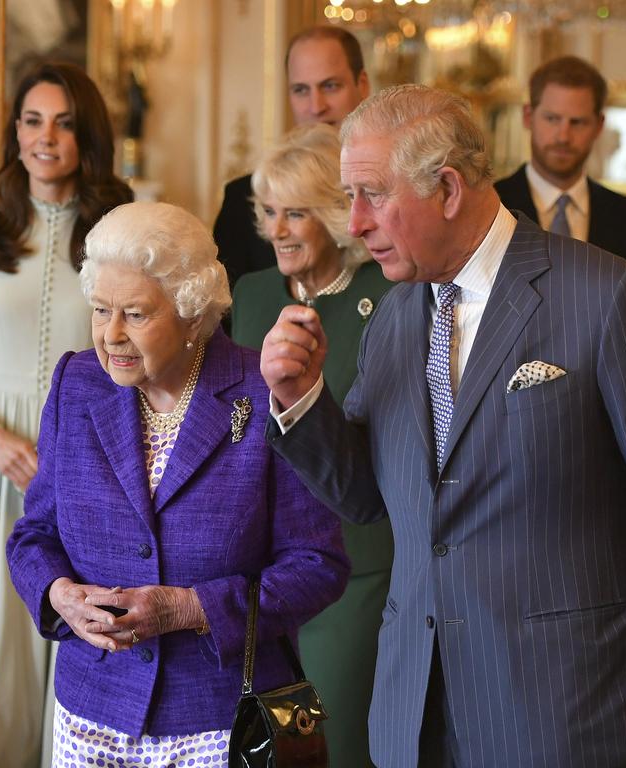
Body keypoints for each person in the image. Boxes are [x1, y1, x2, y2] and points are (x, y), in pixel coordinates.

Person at [260, 84, 626, 768]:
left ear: (447, 188)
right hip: (414, 704)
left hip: (563, 702)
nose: (354, 222)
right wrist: (302, 400)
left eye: (371, 194)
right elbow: (367, 496)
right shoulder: (392, 319)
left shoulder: (610, 299)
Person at [5, 201, 350, 767]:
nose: (110, 335)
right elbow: (35, 533)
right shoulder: (77, 384)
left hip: (218, 722)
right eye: (99, 311)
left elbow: (319, 564)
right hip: (91, 713)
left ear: (192, 314)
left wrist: (192, 608)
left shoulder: (260, 394)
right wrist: (58, 595)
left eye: (135, 315)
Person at [0, 62, 133, 768]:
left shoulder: (118, 235)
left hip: (90, 464)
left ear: (86, 135)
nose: (46, 137)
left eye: (65, 122)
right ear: (14, 132)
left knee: (74, 632)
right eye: (33, 120)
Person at [231, 122, 393, 768]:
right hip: (264, 574)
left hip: (353, 570)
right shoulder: (251, 295)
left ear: (334, 212)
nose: (278, 229)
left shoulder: (386, 297)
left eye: (297, 212)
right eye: (270, 211)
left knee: (340, 744)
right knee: (286, 748)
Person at [214, 25, 370, 291]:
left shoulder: (390, 192)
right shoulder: (243, 199)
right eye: (300, 90)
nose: (316, 106)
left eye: (330, 86)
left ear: (362, 85)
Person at [494, 55, 626, 281]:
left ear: (599, 126)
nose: (563, 136)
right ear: (528, 117)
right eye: (552, 119)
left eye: (577, 122)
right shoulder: (491, 206)